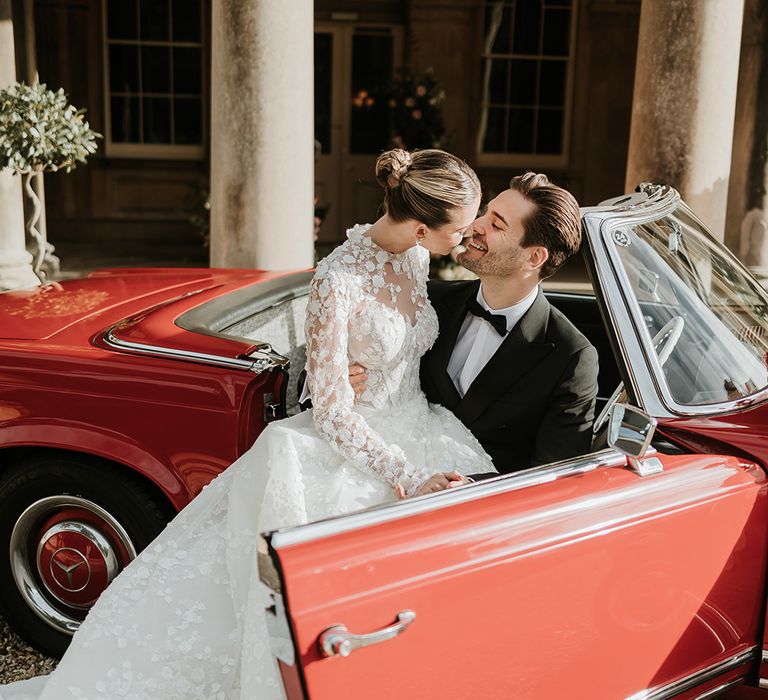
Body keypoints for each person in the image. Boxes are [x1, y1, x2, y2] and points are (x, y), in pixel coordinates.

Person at [0, 148, 496, 700]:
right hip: (357, 443)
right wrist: (405, 472)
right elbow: (332, 412)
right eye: (461, 226)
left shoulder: (417, 259)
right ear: (423, 227)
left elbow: (396, 350)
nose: (470, 235)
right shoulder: (337, 279)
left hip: (421, 421)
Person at [352, 172, 599, 493]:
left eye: (497, 225)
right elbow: (328, 370)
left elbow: (553, 475)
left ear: (534, 257)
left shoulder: (571, 357)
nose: (475, 226)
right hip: (385, 477)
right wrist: (345, 377)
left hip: (479, 511)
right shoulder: (427, 298)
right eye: (485, 213)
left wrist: (466, 488)